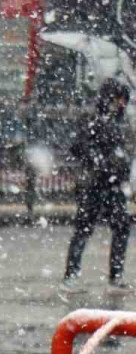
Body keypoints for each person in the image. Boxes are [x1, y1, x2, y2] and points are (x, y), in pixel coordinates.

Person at [65, 78, 133, 287]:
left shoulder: (119, 122)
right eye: (119, 99)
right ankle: (72, 274)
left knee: (121, 227)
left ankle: (115, 274)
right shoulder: (94, 120)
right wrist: (100, 162)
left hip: (113, 184)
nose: (122, 104)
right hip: (94, 184)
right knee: (84, 227)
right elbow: (79, 147)